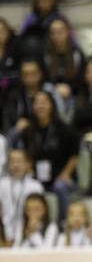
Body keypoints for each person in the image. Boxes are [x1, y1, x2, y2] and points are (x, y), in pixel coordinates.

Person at [7, 90, 79, 221]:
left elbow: (75, 154)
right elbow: (24, 155)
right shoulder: (29, 130)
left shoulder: (64, 129)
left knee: (60, 187)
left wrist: (66, 174)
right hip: (37, 175)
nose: (41, 106)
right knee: (24, 185)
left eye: (44, 102)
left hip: (61, 176)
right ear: (33, 107)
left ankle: (63, 224)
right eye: (37, 103)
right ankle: (26, 224)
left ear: (52, 105)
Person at [0, 148, 43, 241]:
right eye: (12, 162)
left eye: (19, 161)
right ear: (8, 165)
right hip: (4, 229)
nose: (16, 165)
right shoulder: (2, 184)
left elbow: (40, 212)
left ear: (27, 164)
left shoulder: (35, 186)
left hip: (27, 229)